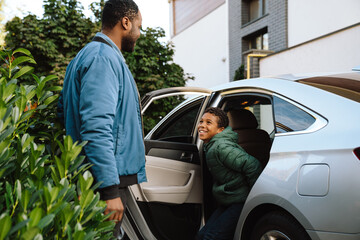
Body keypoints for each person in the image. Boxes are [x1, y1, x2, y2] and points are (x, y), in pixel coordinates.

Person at [57, 0, 146, 237]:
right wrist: (109, 190)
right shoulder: (102, 59)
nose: (139, 33)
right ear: (125, 22)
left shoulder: (88, 55)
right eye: (139, 25)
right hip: (102, 181)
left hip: (95, 177)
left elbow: (62, 113)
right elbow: (96, 127)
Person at [197, 107, 262, 240]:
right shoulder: (211, 145)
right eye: (201, 121)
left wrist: (255, 198)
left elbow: (252, 165)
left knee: (211, 237)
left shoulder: (222, 147)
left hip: (241, 200)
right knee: (202, 235)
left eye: (209, 123)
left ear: (220, 129)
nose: (202, 125)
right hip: (230, 199)